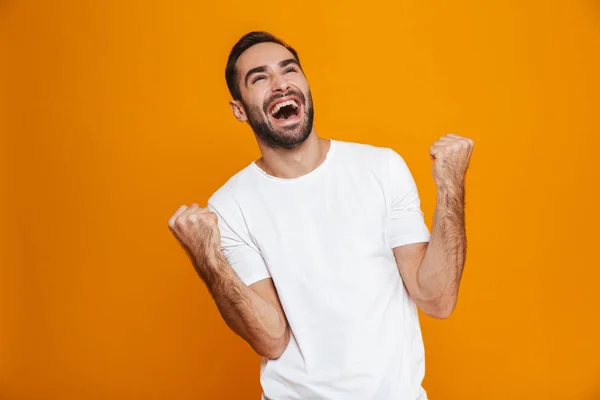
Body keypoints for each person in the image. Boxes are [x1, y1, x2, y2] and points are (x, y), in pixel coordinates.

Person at [168, 31, 474, 400]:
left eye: (289, 70)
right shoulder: (229, 206)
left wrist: (450, 187)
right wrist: (208, 259)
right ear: (239, 109)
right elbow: (272, 339)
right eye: (260, 78)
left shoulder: (382, 167)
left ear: (306, 84)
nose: (280, 85)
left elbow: (436, 298)